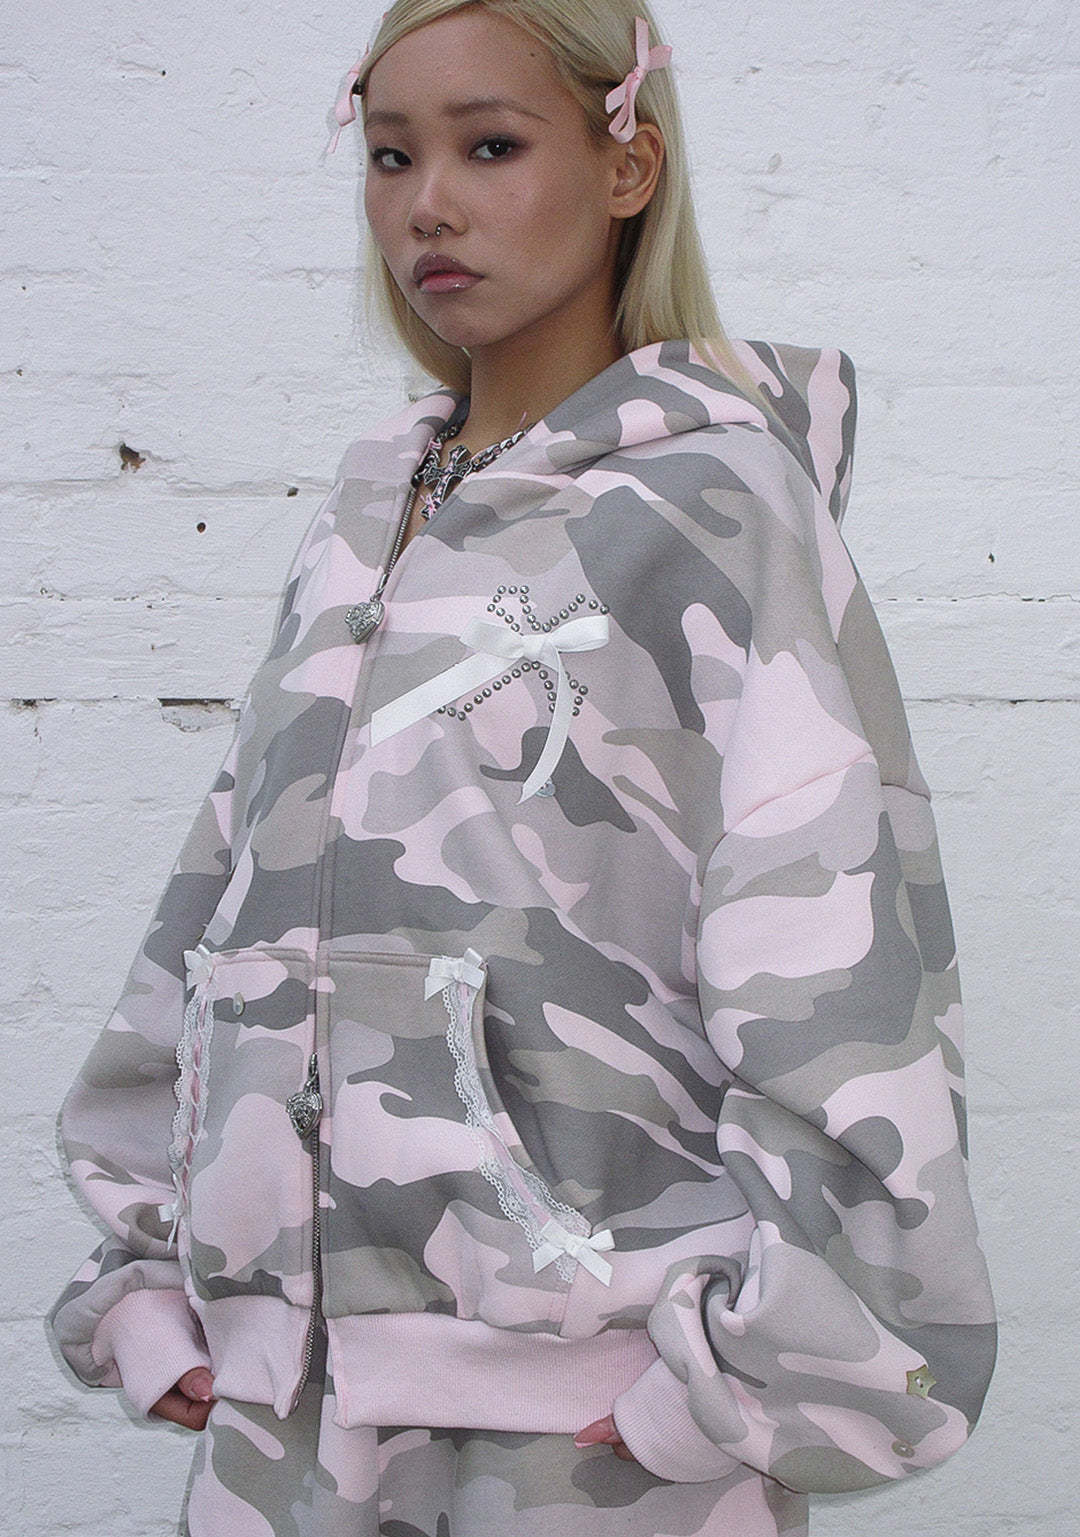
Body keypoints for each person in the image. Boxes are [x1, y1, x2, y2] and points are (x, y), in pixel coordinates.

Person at [47, 3, 997, 1534]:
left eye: (491, 146)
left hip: (597, 1446)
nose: (428, 203)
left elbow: (834, 950)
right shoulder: (362, 520)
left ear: (628, 165)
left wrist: (750, 1379)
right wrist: (152, 1273)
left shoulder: (713, 510)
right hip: (284, 1422)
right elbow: (229, 885)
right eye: (390, 156)